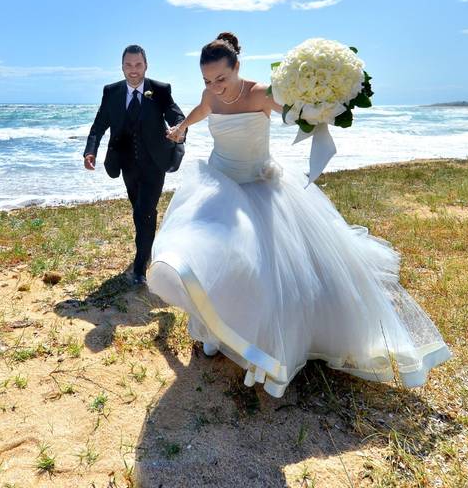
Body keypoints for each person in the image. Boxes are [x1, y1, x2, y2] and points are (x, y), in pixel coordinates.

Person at [150, 32, 451, 397]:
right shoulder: (210, 95)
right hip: (218, 185)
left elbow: (298, 115)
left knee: (265, 270)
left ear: (238, 68)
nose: (215, 86)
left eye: (221, 78)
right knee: (208, 256)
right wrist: (183, 126)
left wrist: (325, 109)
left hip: (258, 187)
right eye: (207, 80)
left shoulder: (262, 93)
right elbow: (204, 109)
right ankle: (215, 329)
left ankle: (266, 342)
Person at [84, 44, 187, 285]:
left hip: (154, 162)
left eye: (138, 65)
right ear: (122, 67)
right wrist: (91, 151)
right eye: (128, 65)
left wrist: (178, 131)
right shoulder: (111, 92)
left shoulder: (160, 90)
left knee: (144, 211)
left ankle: (140, 267)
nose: (133, 70)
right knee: (139, 211)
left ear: (146, 65)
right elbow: (99, 125)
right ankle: (147, 247)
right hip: (126, 164)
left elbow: (177, 116)